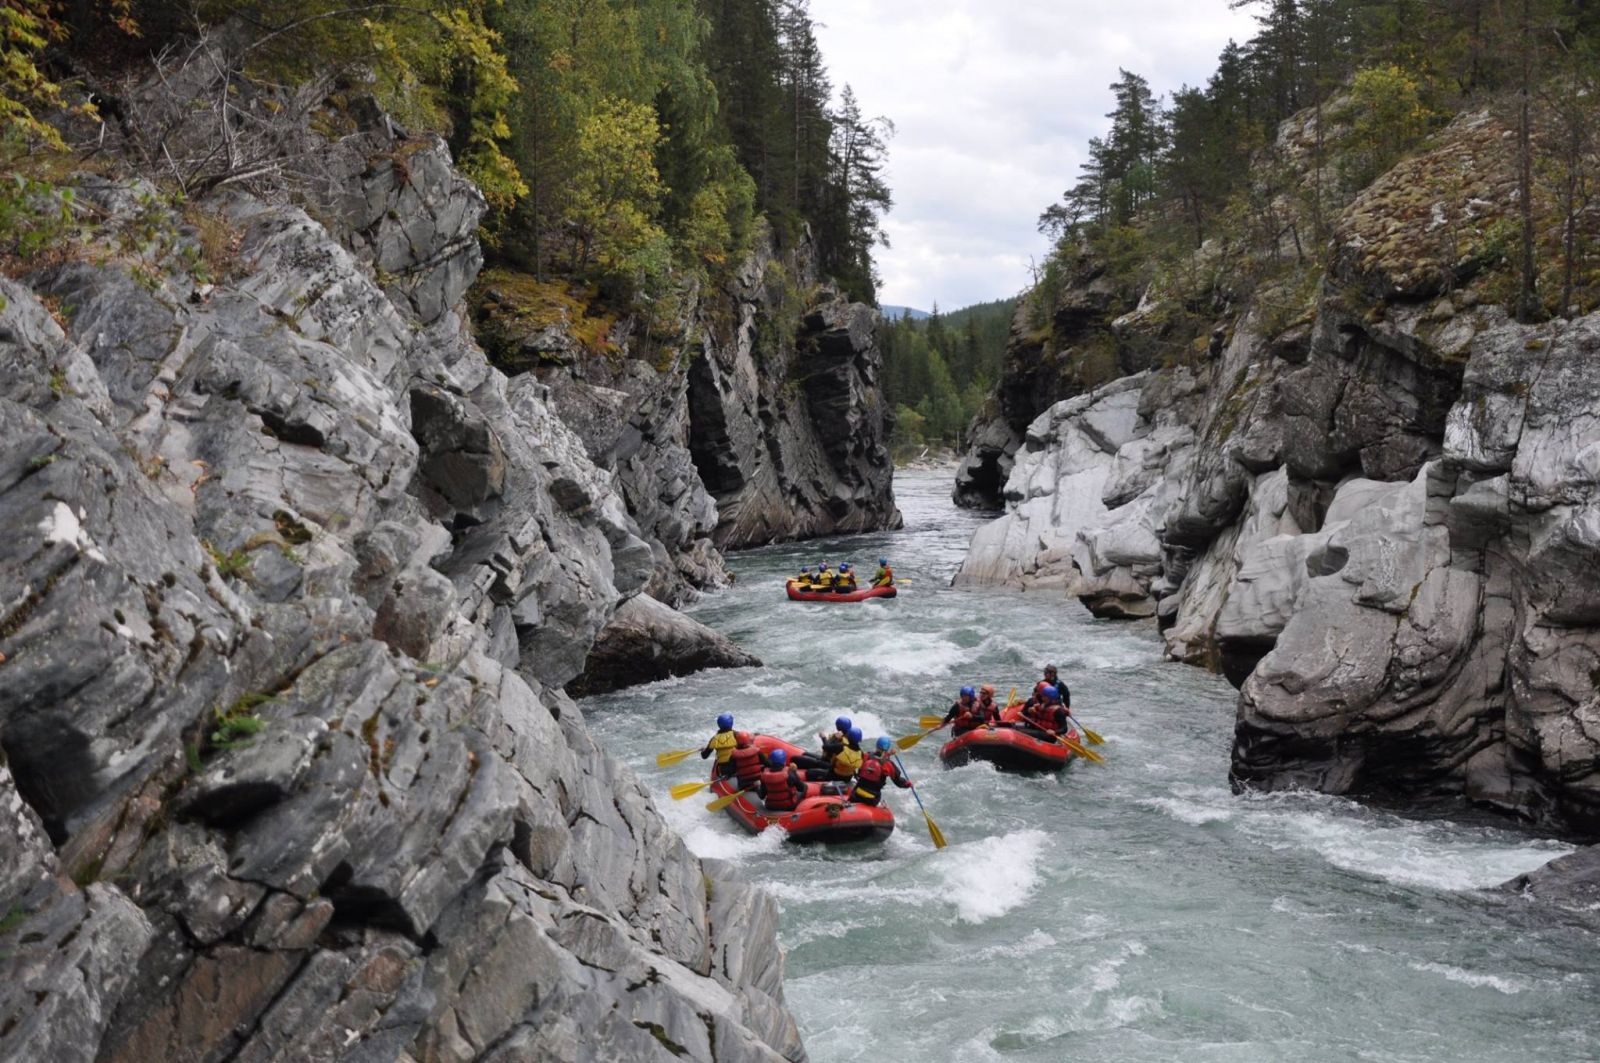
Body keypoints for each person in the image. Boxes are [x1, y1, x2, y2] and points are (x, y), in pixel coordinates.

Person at [850, 737, 913, 806]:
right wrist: (907, 784)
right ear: (887, 749)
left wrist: (888, 754)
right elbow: (898, 781)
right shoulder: (888, 764)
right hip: (872, 798)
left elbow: (863, 768)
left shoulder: (866, 756)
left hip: (856, 793)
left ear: (876, 745)